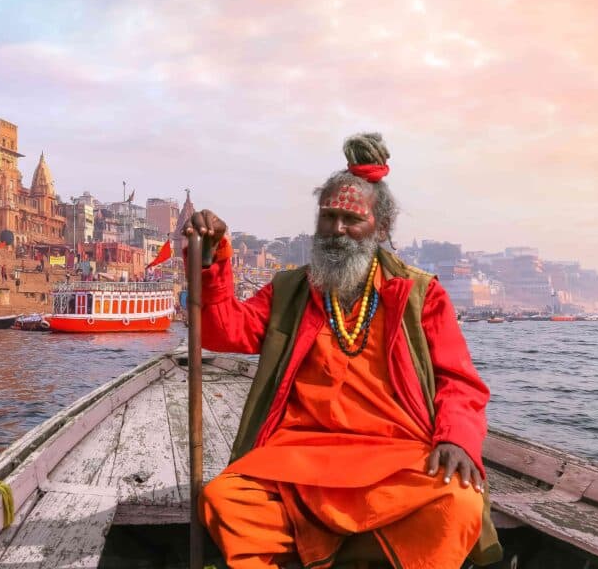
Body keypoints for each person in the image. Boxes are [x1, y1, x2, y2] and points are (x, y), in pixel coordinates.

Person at [184, 133, 498, 569]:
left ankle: (331, 552)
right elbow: (223, 333)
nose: (336, 230)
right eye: (328, 217)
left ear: (380, 229)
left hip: (395, 455)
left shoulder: (419, 294)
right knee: (225, 500)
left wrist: (455, 439)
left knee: (459, 502)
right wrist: (212, 260)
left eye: (351, 219)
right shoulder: (291, 290)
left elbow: (459, 382)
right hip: (297, 456)